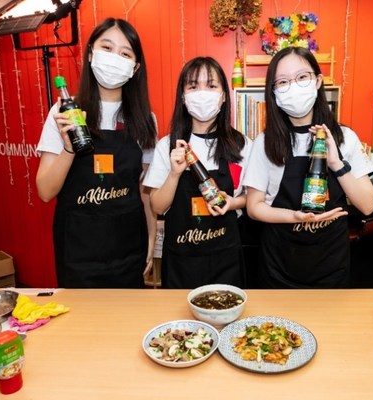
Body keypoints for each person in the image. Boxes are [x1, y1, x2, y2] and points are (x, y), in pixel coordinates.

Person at [36, 18, 158, 288]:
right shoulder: (63, 112)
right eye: (107, 48)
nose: (115, 58)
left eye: (125, 53)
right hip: (79, 251)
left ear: (135, 67)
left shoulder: (145, 119)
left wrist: (151, 238)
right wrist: (69, 146)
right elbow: (45, 190)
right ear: (91, 53)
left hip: (129, 247)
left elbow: (145, 190)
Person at [243, 47, 373, 289]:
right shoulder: (265, 142)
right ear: (274, 92)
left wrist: (335, 163)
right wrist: (293, 216)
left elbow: (367, 205)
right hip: (279, 266)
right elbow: (253, 207)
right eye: (283, 82)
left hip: (331, 265)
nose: (293, 86)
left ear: (318, 81)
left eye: (302, 77)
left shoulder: (345, 137)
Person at [143, 57, 251, 289]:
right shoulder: (167, 145)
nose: (202, 93)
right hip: (181, 262)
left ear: (223, 96)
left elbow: (252, 198)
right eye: (193, 86)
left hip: (226, 260)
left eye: (211, 86)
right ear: (183, 97)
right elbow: (157, 207)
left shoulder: (242, 144)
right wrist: (174, 174)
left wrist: (233, 203)